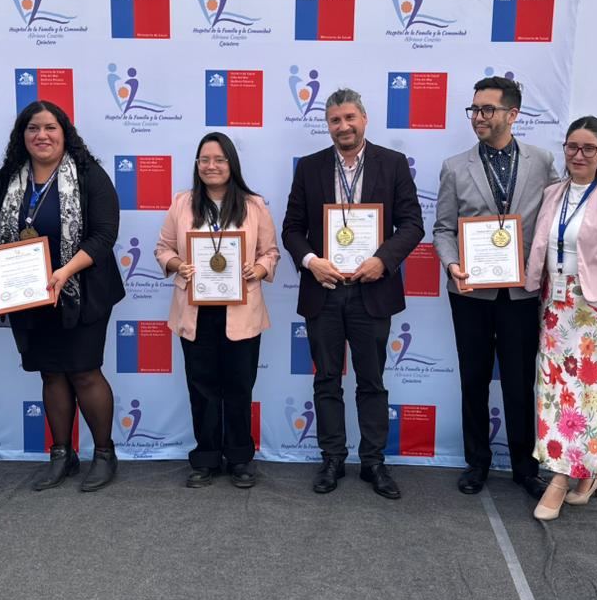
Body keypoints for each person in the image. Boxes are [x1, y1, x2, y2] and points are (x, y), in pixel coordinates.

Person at [282, 88, 424, 499]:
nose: (343, 126)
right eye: (335, 120)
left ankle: (373, 462)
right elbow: (292, 229)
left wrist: (383, 259)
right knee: (326, 379)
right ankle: (332, 458)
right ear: (327, 125)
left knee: (372, 381)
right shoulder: (309, 167)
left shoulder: (392, 163)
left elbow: (412, 224)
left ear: (364, 119)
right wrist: (311, 261)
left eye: (349, 118)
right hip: (323, 290)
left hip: (372, 291)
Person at [0, 100, 125, 492]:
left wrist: (64, 272)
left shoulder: (88, 174)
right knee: (50, 373)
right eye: (33, 128)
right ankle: (62, 455)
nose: (42, 135)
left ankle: (104, 454)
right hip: (29, 296)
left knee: (84, 371)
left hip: (81, 291)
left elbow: (104, 234)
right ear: (22, 136)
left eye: (50, 128)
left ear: (65, 133)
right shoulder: (9, 178)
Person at [433, 76, 557, 499]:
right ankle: (477, 462)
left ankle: (525, 466)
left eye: (487, 109)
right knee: (474, 379)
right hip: (471, 293)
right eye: (474, 109)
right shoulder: (454, 166)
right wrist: (452, 264)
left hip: (522, 292)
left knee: (520, 381)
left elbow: (562, 211)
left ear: (512, 114)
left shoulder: (542, 161)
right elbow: (443, 228)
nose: (478, 117)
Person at [522, 115, 597, 521]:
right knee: (556, 395)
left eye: (589, 148)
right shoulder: (552, 193)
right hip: (556, 308)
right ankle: (583, 473)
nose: (579, 155)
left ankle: (560, 479)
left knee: (591, 396)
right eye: (572, 146)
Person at [155, 132, 281, 488]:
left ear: (231, 164)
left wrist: (258, 269)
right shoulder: (182, 203)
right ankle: (206, 457)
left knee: (239, 387)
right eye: (205, 160)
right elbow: (163, 248)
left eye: (219, 159)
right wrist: (178, 264)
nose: (211, 166)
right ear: (197, 165)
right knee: (202, 388)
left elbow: (270, 252)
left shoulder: (254, 205)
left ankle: (240, 458)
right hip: (196, 310)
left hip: (241, 309)